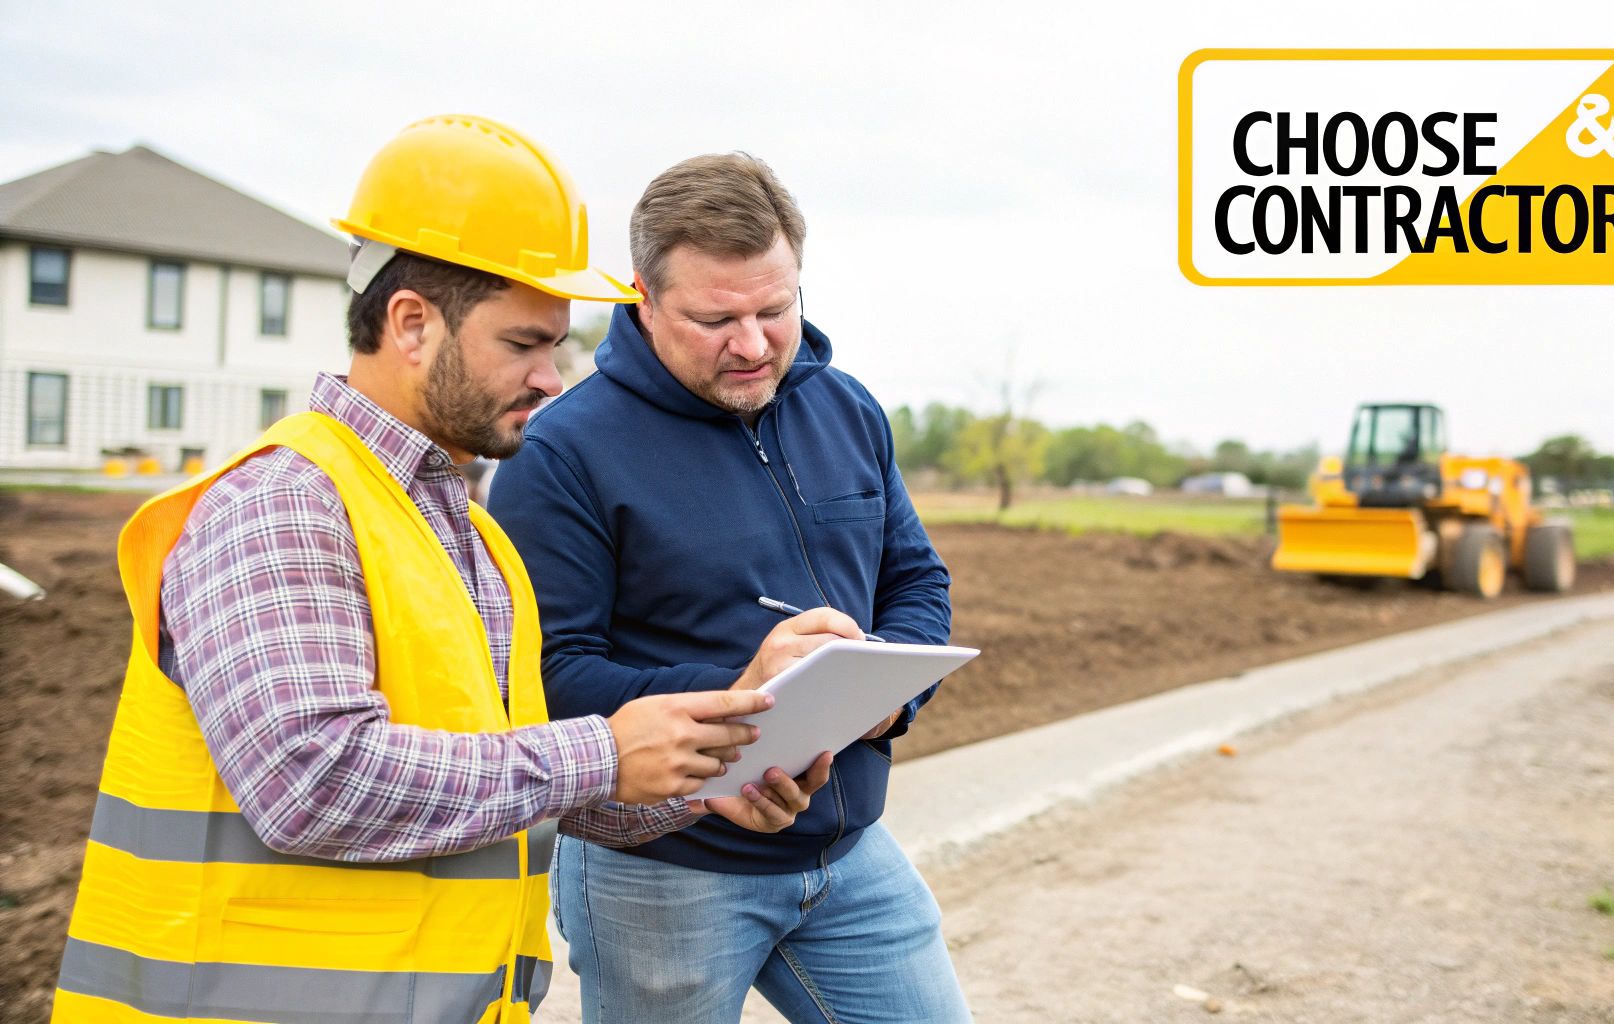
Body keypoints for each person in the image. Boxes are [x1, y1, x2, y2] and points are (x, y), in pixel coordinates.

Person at [52, 117, 832, 1024]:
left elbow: (506, 772)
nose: (552, 378)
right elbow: (313, 782)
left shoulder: (467, 531)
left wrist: (702, 785)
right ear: (412, 323)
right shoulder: (285, 503)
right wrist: (604, 750)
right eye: (524, 344)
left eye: (557, 344)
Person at [489, 153, 970, 1023]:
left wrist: (878, 697)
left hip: (847, 849)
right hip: (663, 874)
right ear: (641, 295)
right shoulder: (560, 453)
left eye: (774, 310)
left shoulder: (848, 409)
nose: (752, 344)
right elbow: (547, 678)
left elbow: (917, 581)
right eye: (715, 318)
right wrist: (743, 697)